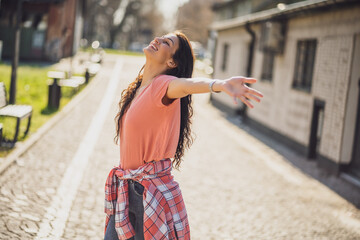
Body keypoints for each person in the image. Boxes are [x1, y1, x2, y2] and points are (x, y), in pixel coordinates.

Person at [104, 31, 263, 240]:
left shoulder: (164, 85)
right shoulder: (139, 87)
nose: (158, 40)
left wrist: (219, 85)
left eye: (167, 42)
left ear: (172, 61)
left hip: (147, 194)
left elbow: (187, 85)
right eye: (161, 37)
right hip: (128, 188)